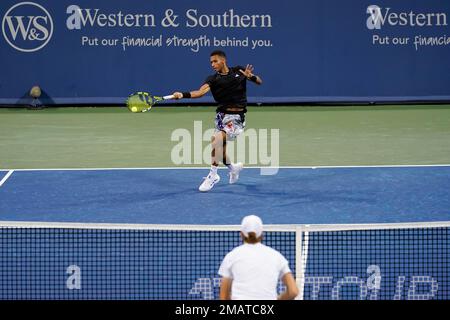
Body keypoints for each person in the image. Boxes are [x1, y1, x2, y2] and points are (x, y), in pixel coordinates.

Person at [172, 50, 262, 192]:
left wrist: (252, 77)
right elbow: (200, 92)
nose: (213, 64)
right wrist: (182, 94)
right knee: (220, 149)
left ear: (223, 60)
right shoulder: (212, 79)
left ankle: (213, 175)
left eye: (215, 61)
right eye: (211, 62)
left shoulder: (238, 70)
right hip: (221, 117)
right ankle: (234, 169)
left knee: (216, 140)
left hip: (237, 118)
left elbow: (259, 82)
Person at [218, 215, 299, 300]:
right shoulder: (277, 256)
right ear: (262, 235)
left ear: (241, 234)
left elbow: (223, 297)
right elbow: (293, 291)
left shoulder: (231, 256)